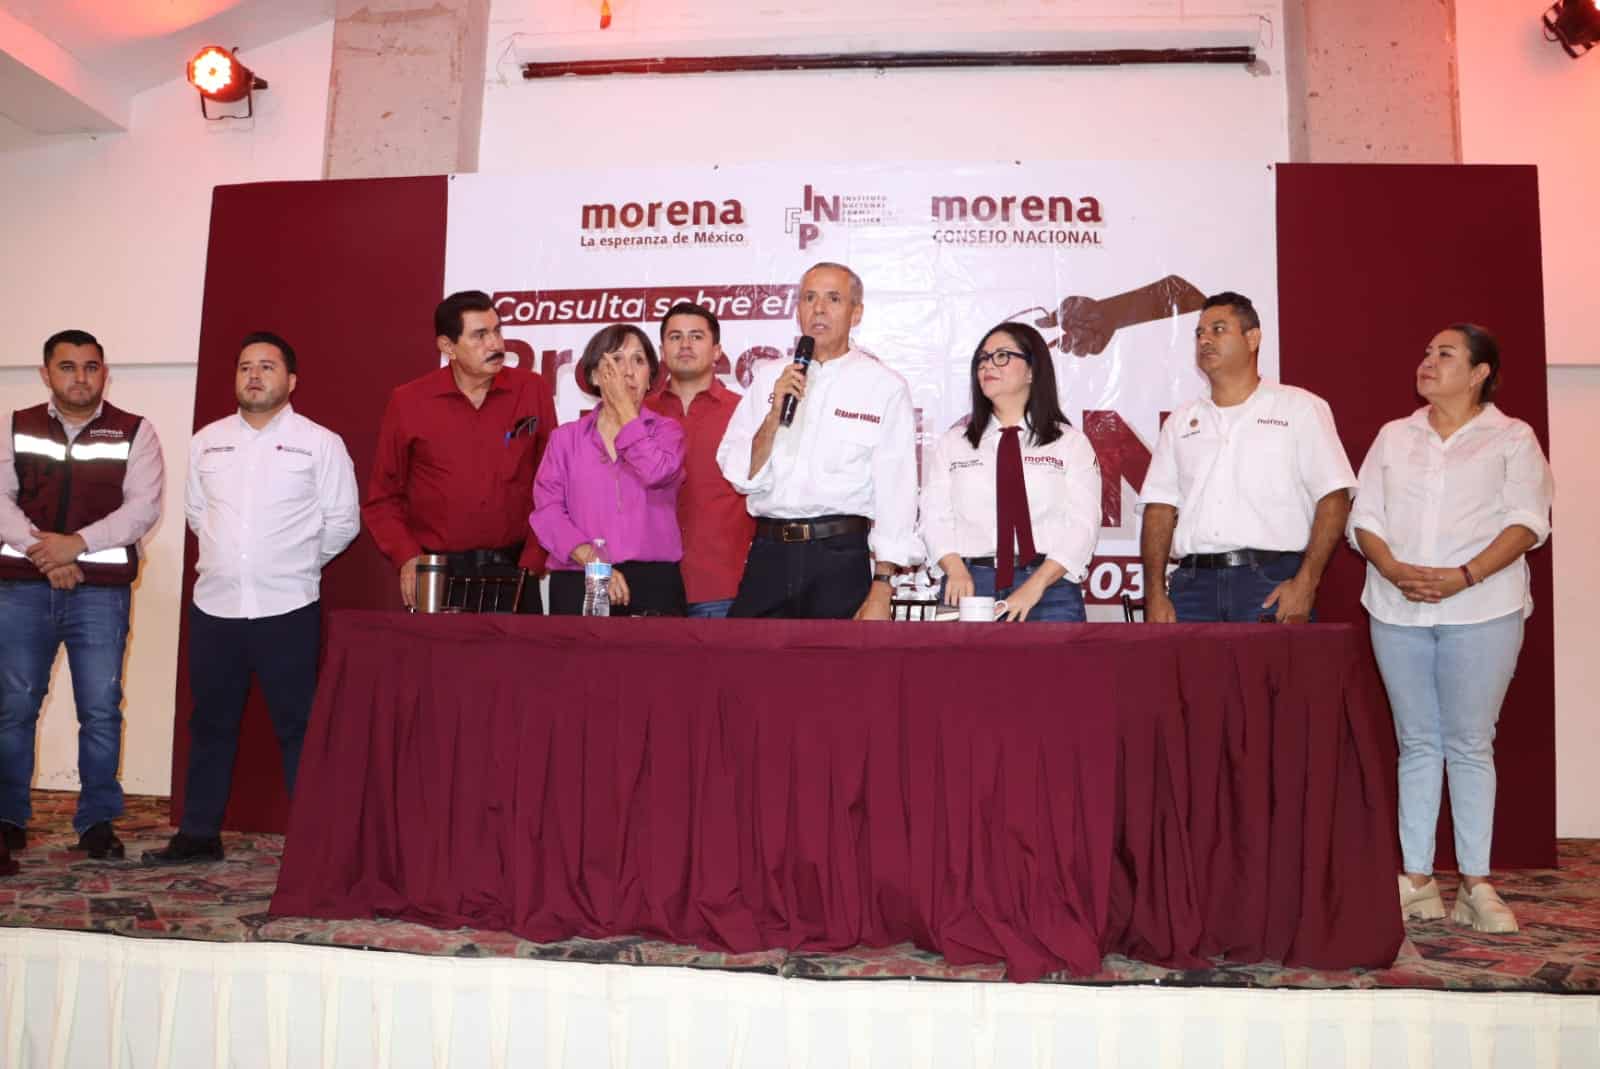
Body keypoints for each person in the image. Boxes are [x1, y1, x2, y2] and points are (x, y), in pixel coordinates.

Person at [1350, 323, 1553, 934]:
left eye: (1445, 354)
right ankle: (1415, 879)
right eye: (1426, 352)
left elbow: (1528, 522)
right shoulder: (1395, 435)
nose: (1428, 361)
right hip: (1398, 607)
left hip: (1482, 610)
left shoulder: (1512, 438)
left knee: (1468, 743)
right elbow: (1364, 518)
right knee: (1416, 742)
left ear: (1480, 372)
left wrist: (1465, 576)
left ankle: (1475, 882)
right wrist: (1393, 569)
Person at [144, 333, 359, 865]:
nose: (254, 376)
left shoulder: (320, 443)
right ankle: (199, 834)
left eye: (267, 366)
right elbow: (197, 514)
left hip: (288, 608)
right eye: (244, 367)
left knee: (298, 727)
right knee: (209, 724)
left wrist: (296, 563)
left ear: (292, 380)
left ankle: (312, 845)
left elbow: (342, 521)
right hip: (215, 608)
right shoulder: (207, 440)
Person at [0, 329, 164, 860]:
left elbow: (142, 509)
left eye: (91, 367)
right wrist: (46, 553)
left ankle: (96, 822)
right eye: (67, 367)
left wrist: (77, 545)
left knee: (100, 709)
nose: (80, 377)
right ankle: (6, 818)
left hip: (101, 595)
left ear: (104, 374)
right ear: (46, 374)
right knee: (14, 707)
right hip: (22, 588)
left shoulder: (135, 431)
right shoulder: (14, 425)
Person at [715, 262, 919, 619]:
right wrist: (773, 415)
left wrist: (883, 586)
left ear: (856, 313)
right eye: (809, 298)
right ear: (798, 311)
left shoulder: (884, 386)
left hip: (840, 558)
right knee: (746, 654)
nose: (819, 308)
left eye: (833, 299)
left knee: (837, 657)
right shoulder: (769, 378)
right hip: (770, 554)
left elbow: (897, 492)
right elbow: (740, 475)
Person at [1139, 292, 1355, 623]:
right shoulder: (1180, 421)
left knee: (1273, 663)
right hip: (1192, 588)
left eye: (1218, 329)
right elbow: (1159, 509)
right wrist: (1154, 593)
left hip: (1269, 582)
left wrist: (1306, 582)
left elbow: (1334, 497)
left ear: (1252, 338)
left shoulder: (1300, 408)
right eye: (1199, 333)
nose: (1205, 340)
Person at [364, 290, 556, 612]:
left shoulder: (531, 389)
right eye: (480, 335)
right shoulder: (409, 401)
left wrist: (534, 558)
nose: (496, 344)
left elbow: (553, 482)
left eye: (497, 331)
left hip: (516, 572)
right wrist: (407, 557)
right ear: (447, 346)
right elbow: (383, 498)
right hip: (438, 576)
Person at [920, 322, 1101, 621]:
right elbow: (933, 516)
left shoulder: (1070, 443)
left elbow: (1084, 524)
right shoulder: (954, 443)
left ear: (1032, 371)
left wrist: (1035, 585)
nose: (987, 365)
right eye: (982, 358)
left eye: (1002, 356)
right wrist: (954, 568)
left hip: (1050, 590)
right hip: (968, 584)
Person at [532, 324, 687, 616]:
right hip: (580, 576)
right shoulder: (565, 438)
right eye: (616, 360)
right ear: (595, 375)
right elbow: (547, 512)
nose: (627, 372)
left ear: (650, 378)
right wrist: (595, 561)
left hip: (653, 582)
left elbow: (656, 472)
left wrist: (626, 412)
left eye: (638, 361)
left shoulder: (667, 432)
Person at [643, 302, 754, 618]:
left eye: (696, 336)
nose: (685, 345)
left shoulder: (746, 413)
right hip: (649, 585)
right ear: (662, 351)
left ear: (717, 351)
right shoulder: (639, 415)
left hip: (723, 585)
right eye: (675, 337)